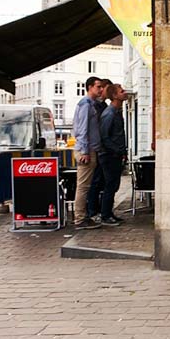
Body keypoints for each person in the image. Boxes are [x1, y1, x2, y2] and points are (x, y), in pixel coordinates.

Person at [71, 76, 107, 229]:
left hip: (89, 148)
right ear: (90, 87)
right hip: (87, 150)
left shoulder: (89, 104)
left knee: (85, 186)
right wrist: (85, 150)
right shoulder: (86, 105)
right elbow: (82, 129)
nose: (100, 90)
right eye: (98, 87)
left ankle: (82, 217)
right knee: (83, 186)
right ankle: (80, 219)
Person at [96, 84, 129, 226]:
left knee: (114, 185)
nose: (125, 93)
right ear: (115, 96)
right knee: (110, 185)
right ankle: (105, 215)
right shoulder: (109, 113)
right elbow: (104, 136)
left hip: (114, 154)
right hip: (109, 155)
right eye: (121, 91)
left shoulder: (116, 111)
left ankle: (108, 213)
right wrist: (117, 151)